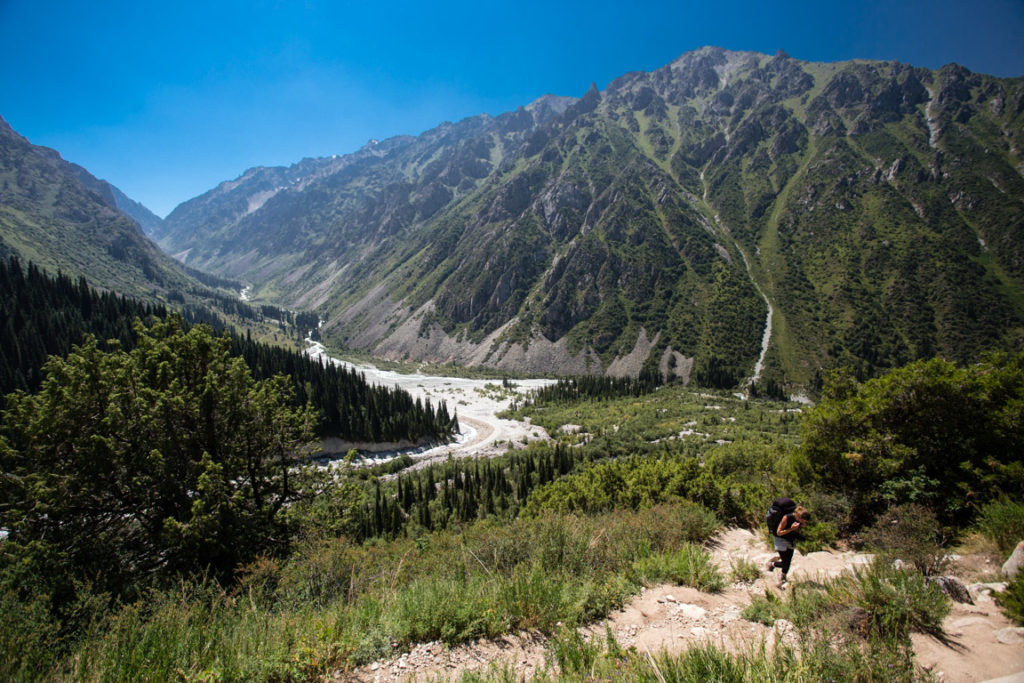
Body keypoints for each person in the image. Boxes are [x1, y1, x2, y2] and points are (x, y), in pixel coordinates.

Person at [766, 505, 811, 586]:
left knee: (788, 562)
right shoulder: (786, 517)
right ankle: (771, 564)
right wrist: (791, 529)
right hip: (780, 540)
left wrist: (800, 527)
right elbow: (779, 532)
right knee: (785, 563)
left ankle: (782, 577)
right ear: (799, 517)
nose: (805, 523)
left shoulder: (798, 521)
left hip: (790, 540)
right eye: (804, 521)